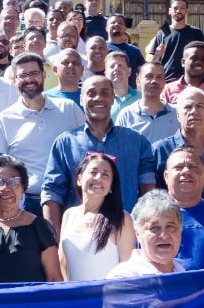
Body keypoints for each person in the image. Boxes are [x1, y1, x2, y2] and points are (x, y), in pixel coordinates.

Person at [41, 75, 156, 231]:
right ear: (81, 99)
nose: (98, 98)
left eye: (104, 93)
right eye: (91, 93)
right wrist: (54, 238)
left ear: (113, 98)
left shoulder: (137, 142)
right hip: (78, 235)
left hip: (125, 235)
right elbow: (52, 192)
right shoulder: (65, 143)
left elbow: (148, 191)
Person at [0, 54, 83, 215]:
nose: (29, 80)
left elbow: (87, 149)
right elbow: (1, 166)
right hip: (28, 205)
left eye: (34, 74)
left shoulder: (69, 109)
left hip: (70, 201)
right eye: (23, 75)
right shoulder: (5, 119)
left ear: (44, 75)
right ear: (14, 80)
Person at [0, 155, 62, 284]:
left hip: (29, 302)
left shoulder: (39, 227)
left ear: (23, 189)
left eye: (13, 181)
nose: (5, 188)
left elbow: (54, 277)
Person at [59, 151, 137, 281]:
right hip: (74, 298)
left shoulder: (122, 219)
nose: (99, 178)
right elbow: (62, 263)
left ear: (111, 186)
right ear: (79, 179)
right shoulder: (69, 215)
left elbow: (128, 271)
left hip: (107, 299)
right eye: (93, 172)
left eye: (105, 175)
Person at [106, 190, 182, 278]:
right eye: (154, 228)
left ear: (180, 230)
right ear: (138, 234)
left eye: (170, 227)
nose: (164, 235)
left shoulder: (183, 274)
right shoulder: (123, 277)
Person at [165, 43, 204, 135]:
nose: (199, 62)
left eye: (203, 59)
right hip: (177, 145)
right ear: (183, 62)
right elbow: (164, 121)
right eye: (194, 58)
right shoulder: (168, 89)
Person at [114, 62, 180, 146]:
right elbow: (119, 147)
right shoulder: (127, 115)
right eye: (149, 76)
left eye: (159, 77)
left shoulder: (176, 114)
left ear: (164, 82)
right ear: (138, 81)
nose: (154, 81)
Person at [145, 0, 204, 81]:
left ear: (186, 11)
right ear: (170, 11)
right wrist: (157, 55)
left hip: (190, 81)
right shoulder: (162, 33)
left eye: (182, 8)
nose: (178, 11)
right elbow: (152, 63)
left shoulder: (195, 32)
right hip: (167, 81)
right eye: (175, 8)